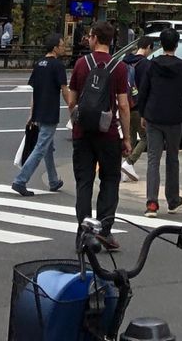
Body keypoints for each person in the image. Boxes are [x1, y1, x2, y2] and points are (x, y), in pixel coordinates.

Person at [67, 20, 131, 249]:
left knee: (84, 182)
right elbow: (123, 105)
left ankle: (84, 233)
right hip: (108, 133)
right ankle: (104, 229)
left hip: (82, 133)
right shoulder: (119, 68)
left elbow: (72, 100)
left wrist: (77, 118)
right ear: (111, 40)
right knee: (110, 180)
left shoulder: (82, 64)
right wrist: (127, 138)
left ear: (94, 37)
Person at [136, 26, 182, 217]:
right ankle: (172, 200)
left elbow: (143, 91)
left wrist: (143, 113)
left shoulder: (152, 65)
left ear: (160, 44)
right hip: (174, 117)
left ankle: (152, 204)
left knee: (153, 159)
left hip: (154, 116)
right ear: (176, 45)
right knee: (173, 158)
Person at [12, 33, 68, 197]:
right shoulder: (57, 66)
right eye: (62, 45)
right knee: (41, 147)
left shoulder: (39, 64)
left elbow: (35, 91)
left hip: (38, 111)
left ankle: (53, 180)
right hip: (50, 112)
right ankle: (20, 180)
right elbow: (64, 90)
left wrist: (31, 113)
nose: (64, 47)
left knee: (47, 147)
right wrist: (73, 105)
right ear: (55, 48)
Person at [121, 35, 152, 178]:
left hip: (126, 104)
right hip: (139, 105)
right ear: (148, 48)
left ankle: (125, 171)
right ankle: (129, 162)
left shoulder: (126, 60)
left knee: (130, 138)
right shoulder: (146, 64)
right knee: (146, 137)